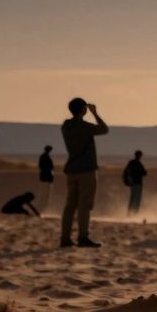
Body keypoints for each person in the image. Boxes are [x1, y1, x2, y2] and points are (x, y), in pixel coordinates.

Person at [60, 98, 108, 248]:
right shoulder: (84, 126)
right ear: (83, 110)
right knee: (84, 205)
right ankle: (83, 237)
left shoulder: (66, 126)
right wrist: (95, 113)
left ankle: (65, 238)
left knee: (70, 205)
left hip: (71, 169)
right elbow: (104, 129)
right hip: (86, 170)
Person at [123, 150, 147, 215]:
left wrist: (127, 180)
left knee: (134, 198)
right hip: (136, 183)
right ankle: (133, 213)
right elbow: (144, 173)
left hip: (134, 183)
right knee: (136, 199)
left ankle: (131, 213)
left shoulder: (133, 163)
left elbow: (126, 172)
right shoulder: (137, 163)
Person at [37, 145, 55, 213]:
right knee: (44, 194)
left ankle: (41, 209)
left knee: (45, 194)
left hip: (45, 178)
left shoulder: (45, 157)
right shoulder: (45, 157)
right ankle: (40, 209)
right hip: (46, 178)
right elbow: (45, 168)